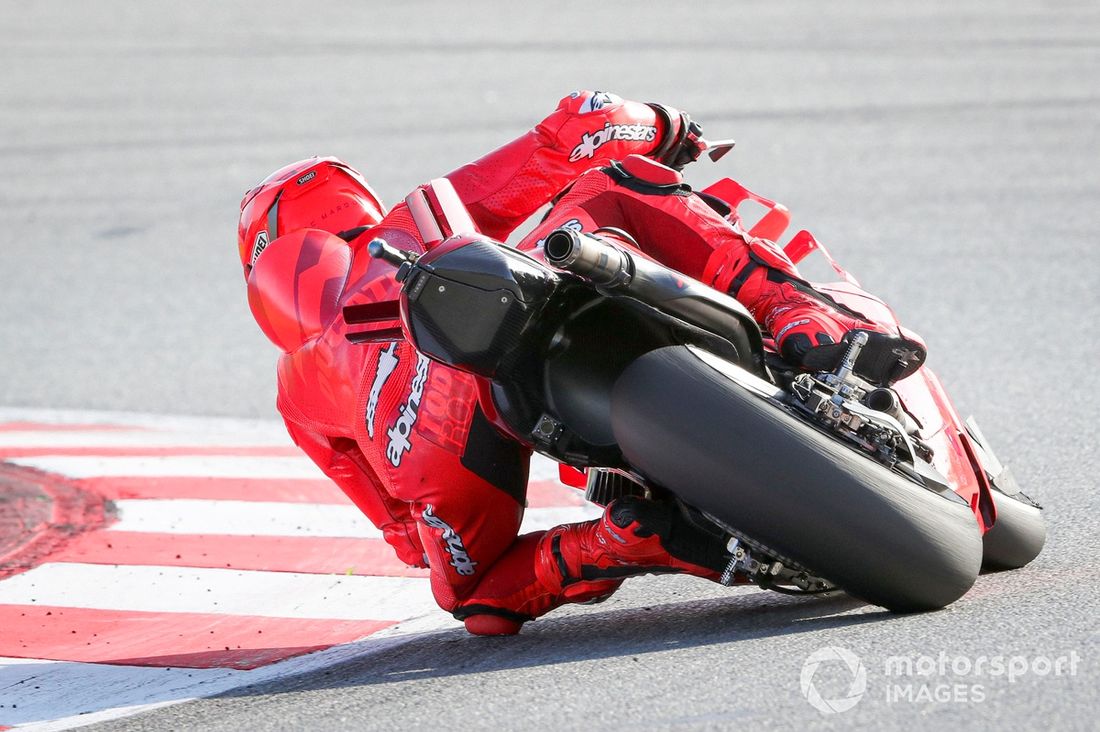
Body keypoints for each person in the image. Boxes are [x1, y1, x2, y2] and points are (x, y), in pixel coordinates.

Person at [237, 91, 925, 634]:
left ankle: (615, 543)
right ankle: (800, 313)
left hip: (438, 453)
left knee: (473, 596)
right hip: (520, 316)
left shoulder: (297, 394)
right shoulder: (413, 219)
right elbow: (577, 129)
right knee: (613, 184)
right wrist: (668, 127)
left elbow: (405, 540)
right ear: (346, 203)